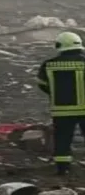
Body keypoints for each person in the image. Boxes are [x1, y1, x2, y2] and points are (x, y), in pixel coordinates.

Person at [38, 31, 85, 175]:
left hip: (62, 110)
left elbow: (42, 84)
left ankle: (62, 169)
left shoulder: (48, 65)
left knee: (62, 139)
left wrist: (56, 94)